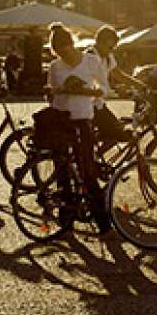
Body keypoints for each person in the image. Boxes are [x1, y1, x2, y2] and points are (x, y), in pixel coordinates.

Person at [47, 23, 112, 235]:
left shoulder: (91, 61)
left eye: (65, 51)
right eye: (59, 53)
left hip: (83, 120)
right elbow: (50, 94)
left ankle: (104, 225)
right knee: (62, 172)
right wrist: (58, 90)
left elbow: (104, 89)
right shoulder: (55, 67)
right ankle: (65, 222)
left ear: (71, 45)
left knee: (87, 172)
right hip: (60, 121)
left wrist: (88, 92)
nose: (64, 57)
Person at [89, 25, 147, 149]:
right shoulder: (88, 57)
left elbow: (118, 74)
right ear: (99, 42)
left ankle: (96, 158)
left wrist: (139, 85)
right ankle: (93, 162)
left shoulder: (108, 58)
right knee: (117, 131)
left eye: (113, 48)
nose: (111, 51)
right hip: (88, 106)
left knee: (114, 132)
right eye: (109, 47)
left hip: (98, 104)